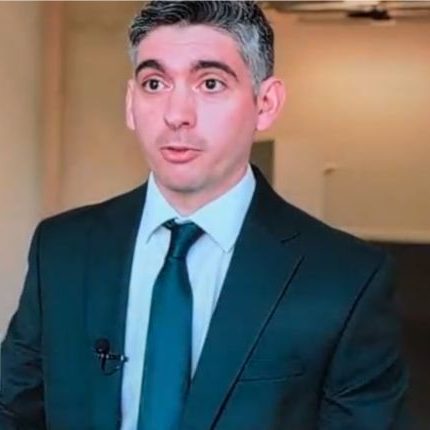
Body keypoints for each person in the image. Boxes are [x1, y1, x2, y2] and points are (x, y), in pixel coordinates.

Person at [0, 1, 409, 429]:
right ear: (130, 102)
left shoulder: (348, 279)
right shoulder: (61, 249)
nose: (176, 115)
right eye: (155, 83)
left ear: (266, 103)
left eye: (210, 83)